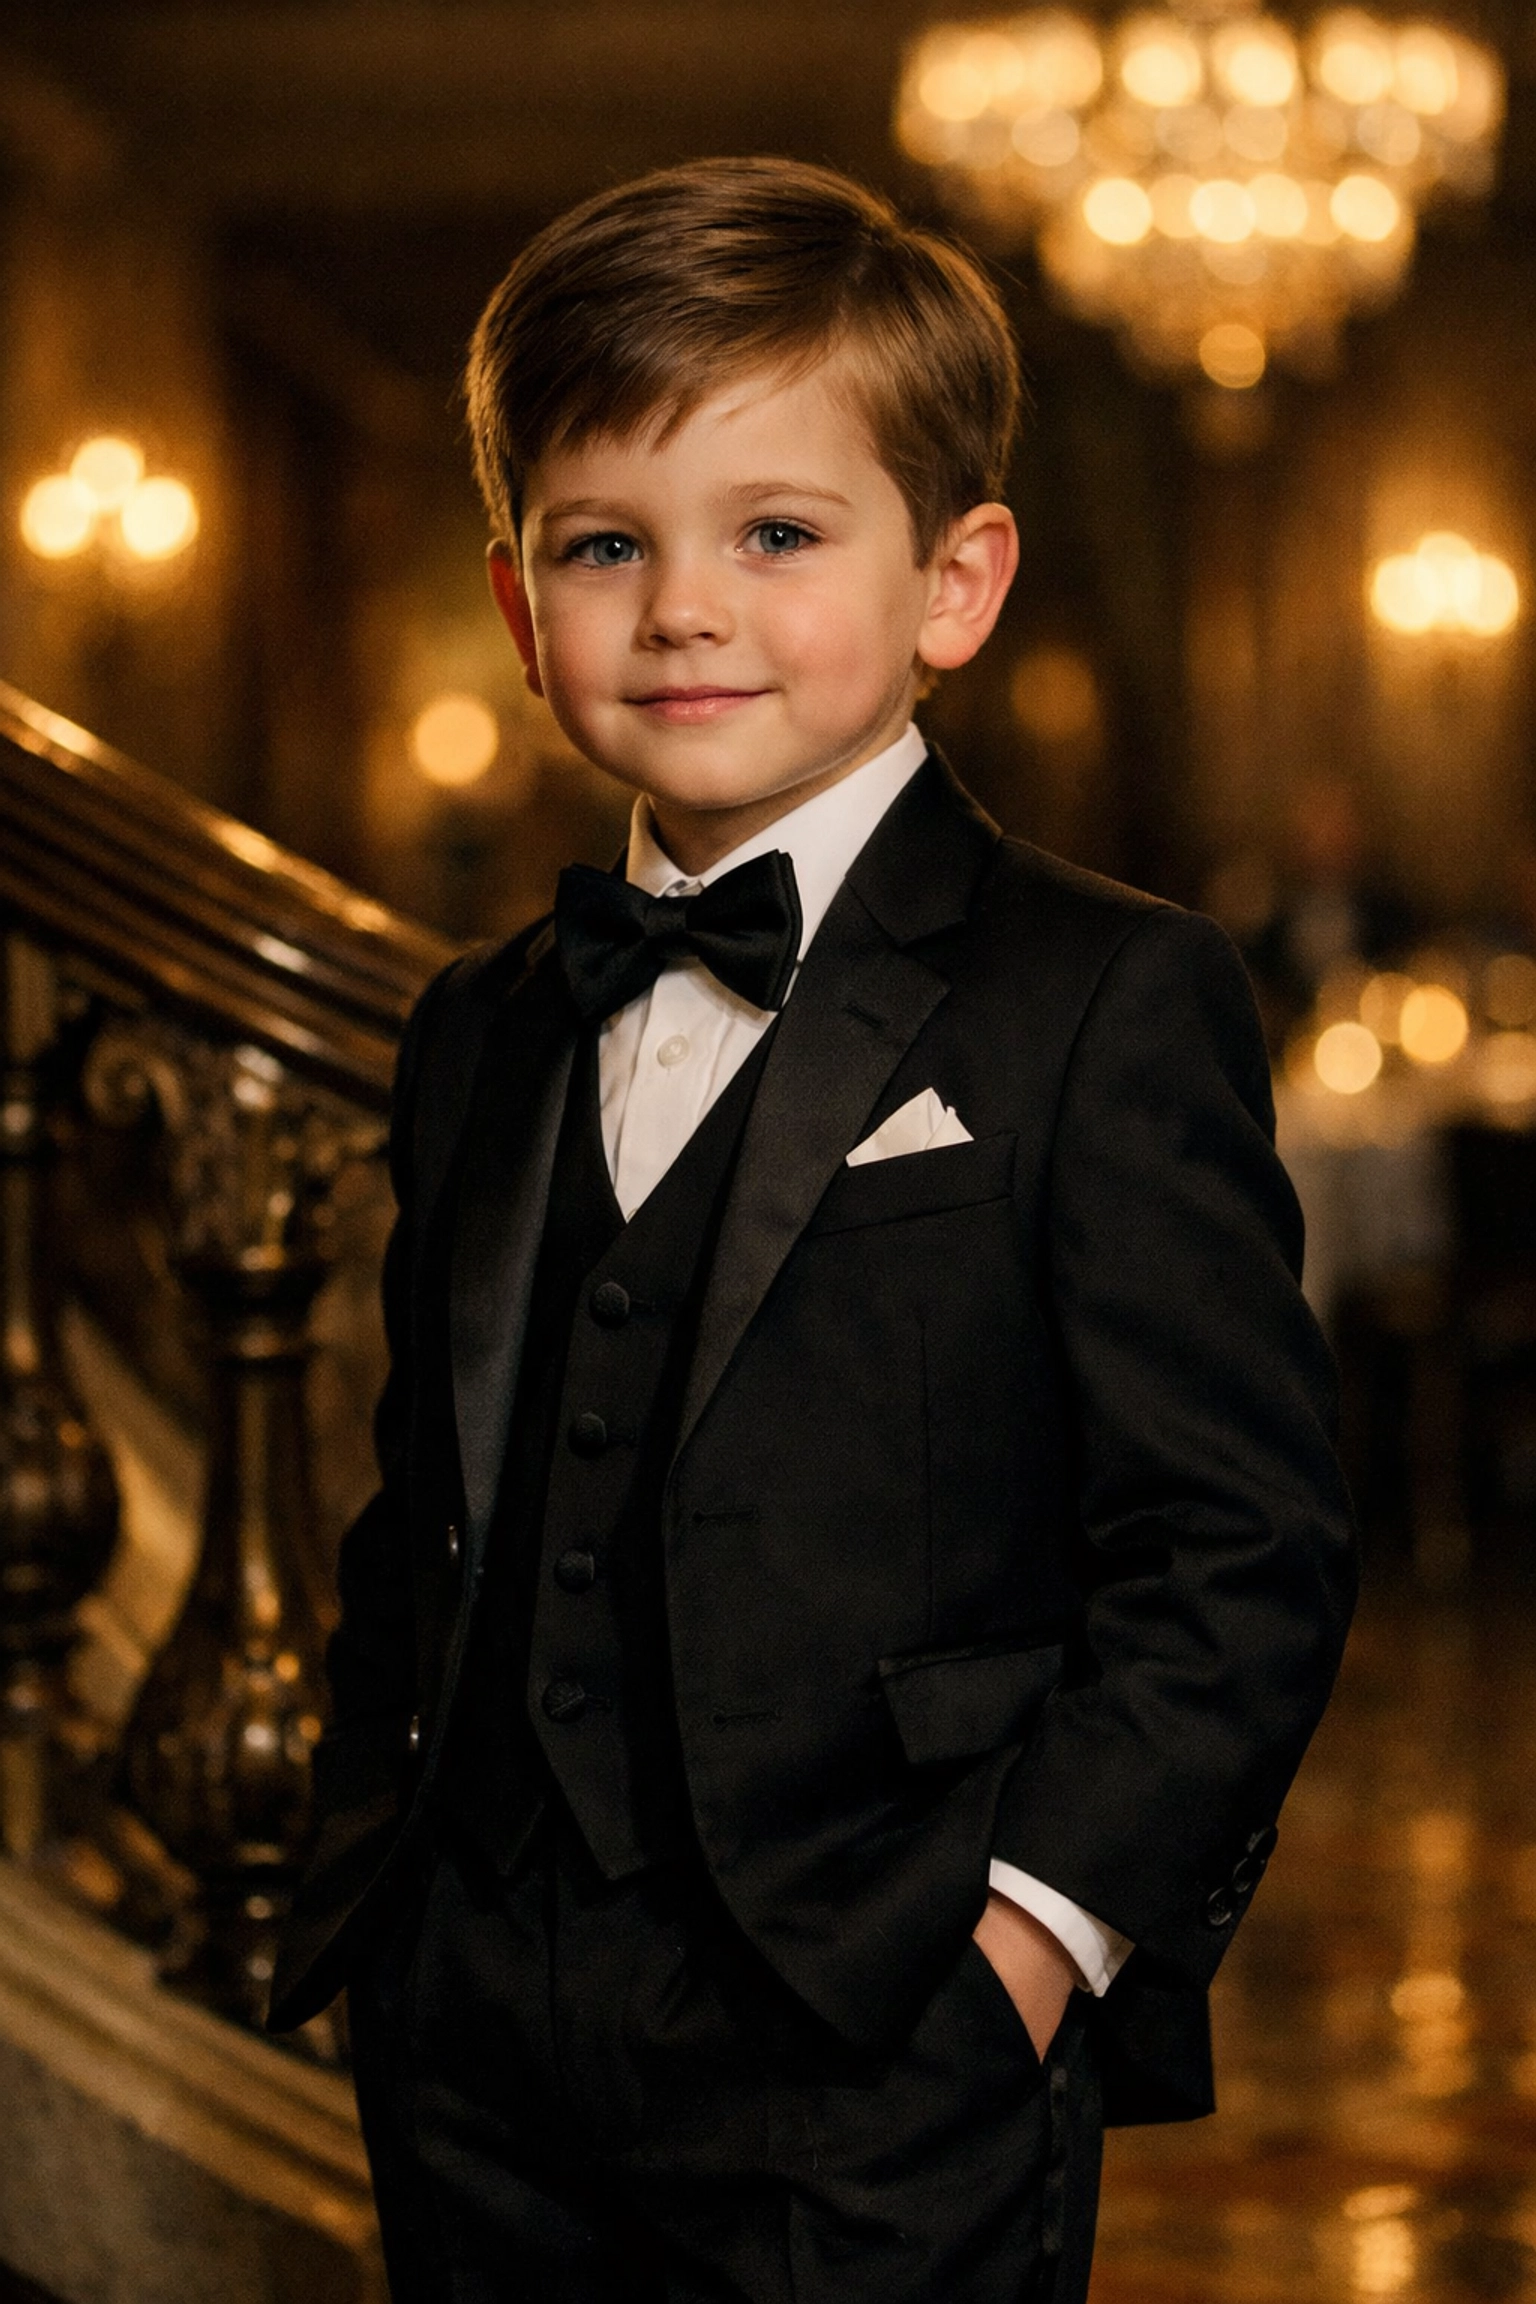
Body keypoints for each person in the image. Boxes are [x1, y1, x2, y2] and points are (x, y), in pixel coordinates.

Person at [269, 157, 1357, 2303]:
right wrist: (381, 1899)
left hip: (883, 2036)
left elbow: (1242, 1547)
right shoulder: (480, 1025)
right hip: (477, 2029)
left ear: (956, 582)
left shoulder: (1101, 995)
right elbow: (435, 1517)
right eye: (606, 544)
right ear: (520, 608)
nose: (683, 607)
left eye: (776, 533)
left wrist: (1027, 1950)